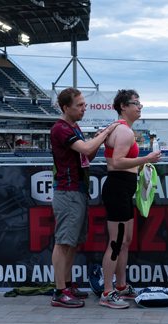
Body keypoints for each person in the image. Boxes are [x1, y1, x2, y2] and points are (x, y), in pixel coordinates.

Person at [50, 87, 118, 308]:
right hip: (67, 190)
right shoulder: (60, 129)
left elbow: (88, 153)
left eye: (84, 104)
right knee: (63, 242)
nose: (83, 108)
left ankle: (67, 285)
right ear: (65, 107)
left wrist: (100, 139)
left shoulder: (74, 126)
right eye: (79, 105)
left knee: (72, 242)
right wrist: (105, 134)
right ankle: (59, 291)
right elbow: (87, 147)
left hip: (77, 189)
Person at [99, 89, 161, 309]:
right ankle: (107, 291)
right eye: (135, 103)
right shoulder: (124, 132)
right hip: (117, 187)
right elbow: (116, 162)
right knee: (116, 243)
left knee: (125, 241)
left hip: (123, 188)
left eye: (140, 103)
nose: (140, 106)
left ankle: (121, 286)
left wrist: (140, 163)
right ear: (123, 106)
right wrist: (146, 158)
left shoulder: (121, 129)